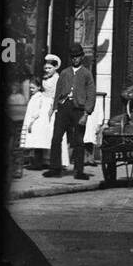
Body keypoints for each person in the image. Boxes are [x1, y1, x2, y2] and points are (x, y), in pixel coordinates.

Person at [43, 42, 96, 180]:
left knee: (78, 140)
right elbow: (58, 91)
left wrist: (86, 113)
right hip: (63, 108)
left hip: (78, 109)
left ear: (82, 57)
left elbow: (91, 95)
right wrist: (54, 108)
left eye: (77, 56)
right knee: (56, 138)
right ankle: (55, 168)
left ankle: (79, 171)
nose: (75, 59)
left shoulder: (87, 74)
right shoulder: (65, 73)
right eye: (72, 57)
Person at [22, 54, 61, 170]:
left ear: (55, 68)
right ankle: (41, 159)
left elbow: (57, 94)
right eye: (46, 68)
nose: (47, 70)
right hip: (42, 104)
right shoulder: (45, 78)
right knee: (40, 131)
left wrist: (53, 106)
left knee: (50, 131)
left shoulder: (57, 79)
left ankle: (51, 161)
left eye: (49, 68)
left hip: (51, 105)